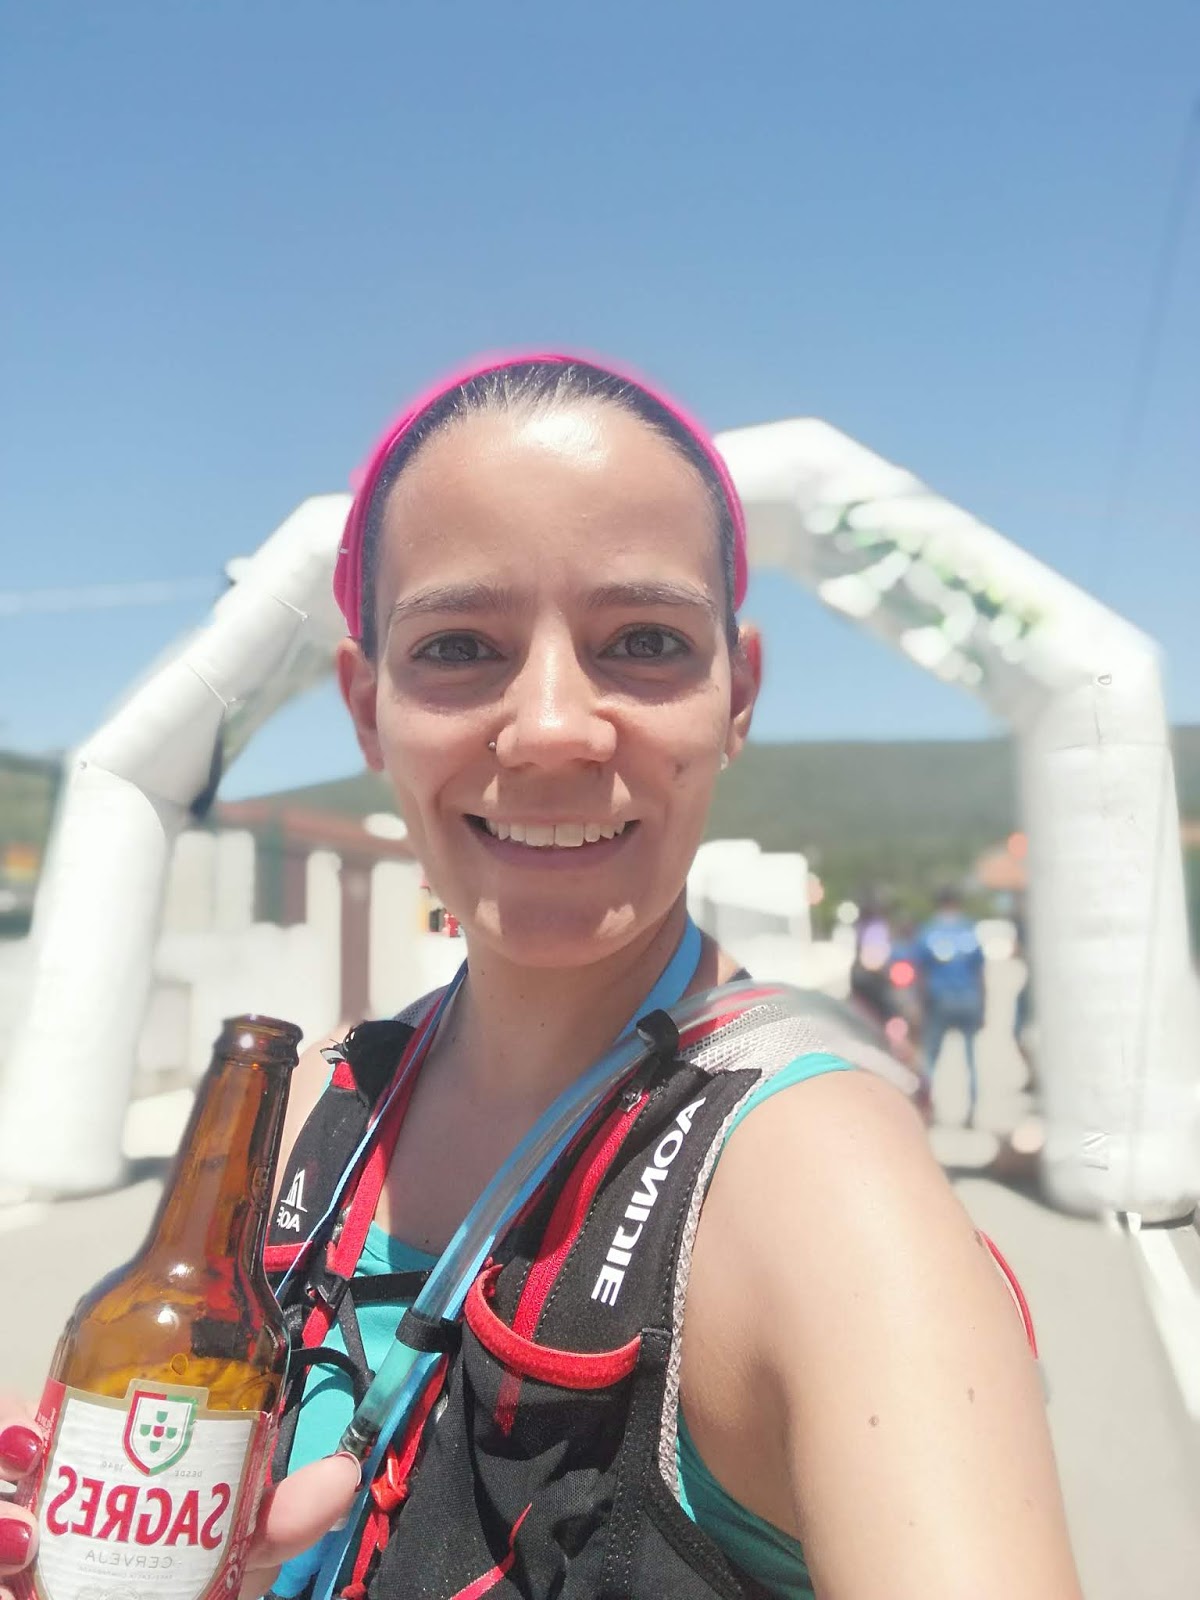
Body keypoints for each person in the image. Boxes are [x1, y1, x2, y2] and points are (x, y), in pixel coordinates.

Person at [0, 353, 1082, 1599]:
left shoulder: (829, 1195)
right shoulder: (310, 1121)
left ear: (738, 694)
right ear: (366, 705)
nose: (555, 727)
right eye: (459, 644)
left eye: (645, 640)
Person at [914, 886, 987, 1127]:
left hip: (939, 999)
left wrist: (919, 1006)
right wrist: (983, 1005)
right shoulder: (969, 930)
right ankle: (972, 1111)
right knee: (970, 1059)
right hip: (969, 998)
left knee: (931, 1058)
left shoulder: (928, 931)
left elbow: (921, 974)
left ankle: (929, 1107)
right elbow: (980, 972)